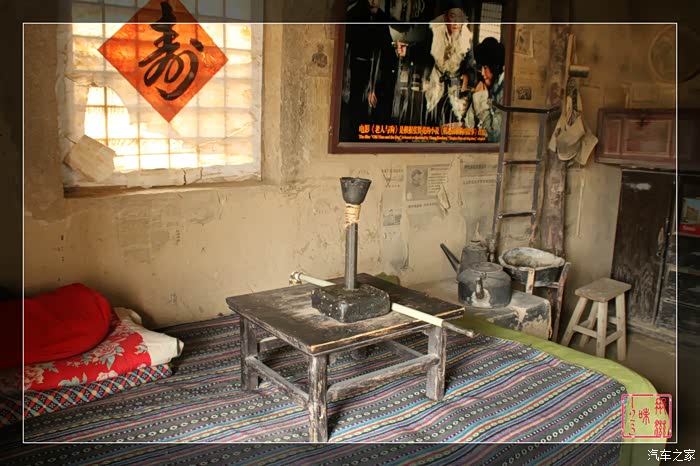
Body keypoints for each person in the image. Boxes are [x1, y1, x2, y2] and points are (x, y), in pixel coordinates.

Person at [342, 0, 394, 140]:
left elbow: (386, 50)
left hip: (374, 70)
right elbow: (346, 43)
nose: (373, 1)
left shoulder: (382, 18)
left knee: (370, 109)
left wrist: (374, 84)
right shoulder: (354, 14)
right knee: (354, 105)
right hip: (354, 66)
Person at [422, 0, 476, 128]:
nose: (456, 22)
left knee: (451, 125)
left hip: (455, 88)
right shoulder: (435, 33)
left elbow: (471, 67)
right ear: (446, 17)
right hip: (435, 83)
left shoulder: (467, 39)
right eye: (453, 16)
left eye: (459, 17)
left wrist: (467, 76)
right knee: (431, 123)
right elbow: (423, 55)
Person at [472, 36, 506, 142]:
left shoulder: (505, 91)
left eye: (485, 68)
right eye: (481, 68)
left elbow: (495, 134)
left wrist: (480, 102)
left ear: (495, 66)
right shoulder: (493, 85)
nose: (482, 73)